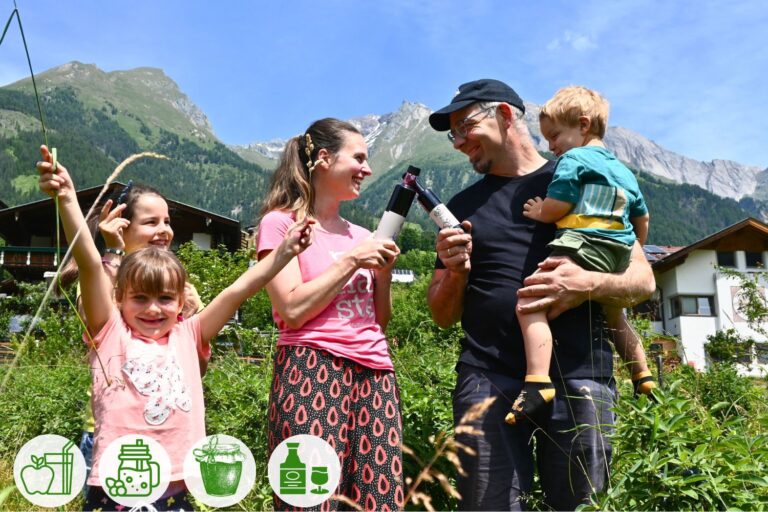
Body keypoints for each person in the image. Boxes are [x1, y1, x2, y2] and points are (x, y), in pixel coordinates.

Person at [37, 145, 312, 511]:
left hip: (176, 488)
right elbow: (89, 263)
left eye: (166, 299)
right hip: (117, 486)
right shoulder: (110, 332)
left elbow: (237, 291)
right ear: (118, 299)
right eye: (140, 299)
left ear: (181, 303)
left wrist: (284, 253)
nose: (153, 308)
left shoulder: (188, 334)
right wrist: (68, 199)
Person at [426, 79, 656, 510]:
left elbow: (643, 281)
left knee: (582, 506)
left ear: (506, 115)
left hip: (581, 375)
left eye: (464, 126)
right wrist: (455, 273)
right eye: (451, 134)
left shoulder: (582, 173)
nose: (458, 142)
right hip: (487, 378)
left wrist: (586, 283)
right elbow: (440, 315)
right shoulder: (459, 208)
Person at [257, 118, 404, 511]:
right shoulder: (281, 224)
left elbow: (379, 320)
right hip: (310, 365)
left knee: (381, 501)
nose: (367, 169)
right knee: (309, 500)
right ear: (324, 158)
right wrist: (353, 261)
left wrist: (382, 274)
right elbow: (291, 308)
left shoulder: (362, 235)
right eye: (358, 157)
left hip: (375, 372)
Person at [507, 85, 655, 425]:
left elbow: (559, 203)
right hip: (616, 252)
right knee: (616, 319)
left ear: (583, 125)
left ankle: (537, 383)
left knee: (530, 304)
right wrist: (631, 247)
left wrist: (539, 211)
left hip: (580, 244)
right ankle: (643, 374)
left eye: (555, 135)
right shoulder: (625, 171)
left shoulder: (573, 160)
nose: (550, 146)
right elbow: (642, 218)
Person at [58, 181, 204, 496]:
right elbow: (96, 318)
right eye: (151, 222)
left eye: (167, 221)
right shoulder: (104, 275)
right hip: (112, 431)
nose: (164, 229)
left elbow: (198, 365)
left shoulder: (179, 284)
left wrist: (190, 315)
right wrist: (112, 253)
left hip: (169, 433)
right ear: (123, 226)